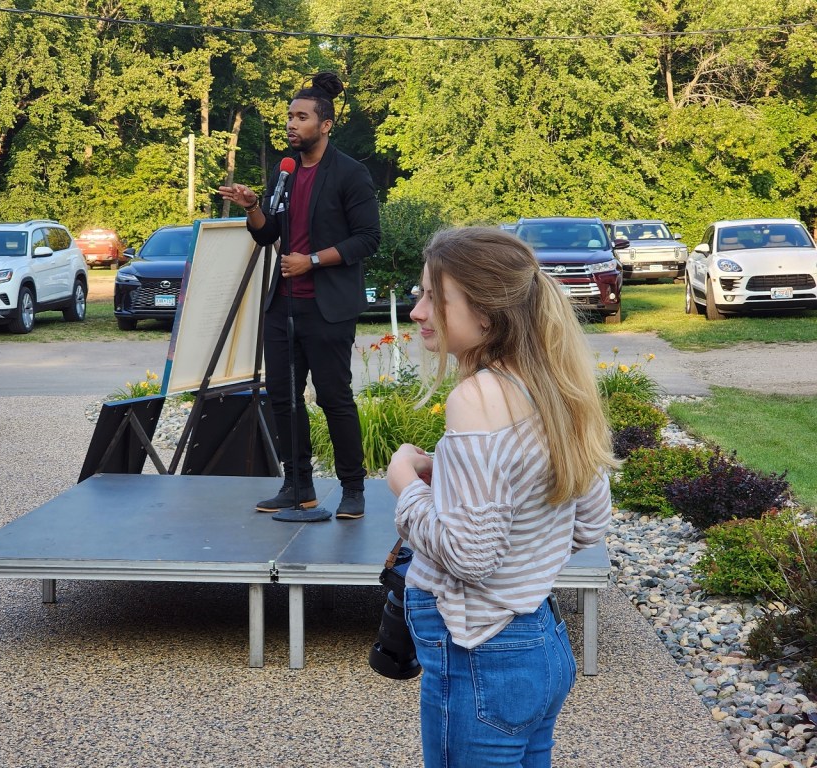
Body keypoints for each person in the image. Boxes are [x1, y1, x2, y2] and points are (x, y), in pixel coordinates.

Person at [386, 227, 617, 767]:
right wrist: (453, 475)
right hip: (541, 644)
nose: (418, 312)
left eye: (435, 298)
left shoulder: (477, 397)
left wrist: (404, 484)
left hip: (481, 653)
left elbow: (470, 556)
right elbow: (589, 523)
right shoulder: (554, 386)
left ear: (486, 315)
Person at [218, 72, 380, 520]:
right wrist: (253, 206)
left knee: (334, 398)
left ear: (325, 124)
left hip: (328, 308)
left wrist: (311, 260)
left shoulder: (351, 173)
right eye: (290, 116)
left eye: (302, 117)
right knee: (284, 399)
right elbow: (267, 233)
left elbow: (368, 239)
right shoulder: (285, 170)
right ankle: (298, 487)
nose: (291, 124)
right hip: (283, 305)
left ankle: (353, 489)